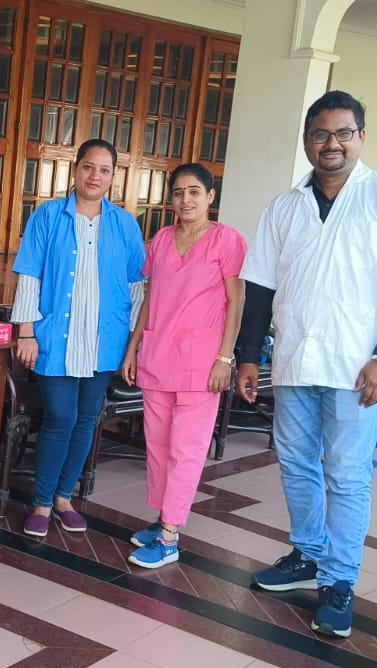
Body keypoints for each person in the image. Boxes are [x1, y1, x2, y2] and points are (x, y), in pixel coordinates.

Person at [234, 90, 377, 638]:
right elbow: (259, 288)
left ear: (361, 138)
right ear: (307, 141)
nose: (332, 144)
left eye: (344, 133)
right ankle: (307, 555)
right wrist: (249, 355)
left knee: (346, 476)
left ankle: (340, 581)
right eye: (321, 134)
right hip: (296, 358)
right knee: (296, 465)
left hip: (357, 367)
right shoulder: (284, 206)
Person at [11, 139, 147, 539]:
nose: (95, 176)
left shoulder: (124, 224)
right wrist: (26, 331)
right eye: (88, 167)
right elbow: (30, 276)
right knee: (60, 418)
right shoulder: (48, 217)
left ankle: (64, 498)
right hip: (55, 337)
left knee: (87, 419)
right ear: (75, 170)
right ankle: (40, 501)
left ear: (112, 177)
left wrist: (133, 345)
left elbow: (138, 286)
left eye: (104, 170)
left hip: (105, 341)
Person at [120, 164, 246, 569]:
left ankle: (170, 537)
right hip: (157, 357)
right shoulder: (160, 239)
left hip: (201, 363)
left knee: (186, 450)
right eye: (178, 193)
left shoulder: (227, 241)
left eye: (194, 192)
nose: (186, 200)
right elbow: (151, 298)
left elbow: (236, 302)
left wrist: (226, 357)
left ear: (211, 197)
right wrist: (133, 348)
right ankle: (162, 519)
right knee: (157, 446)